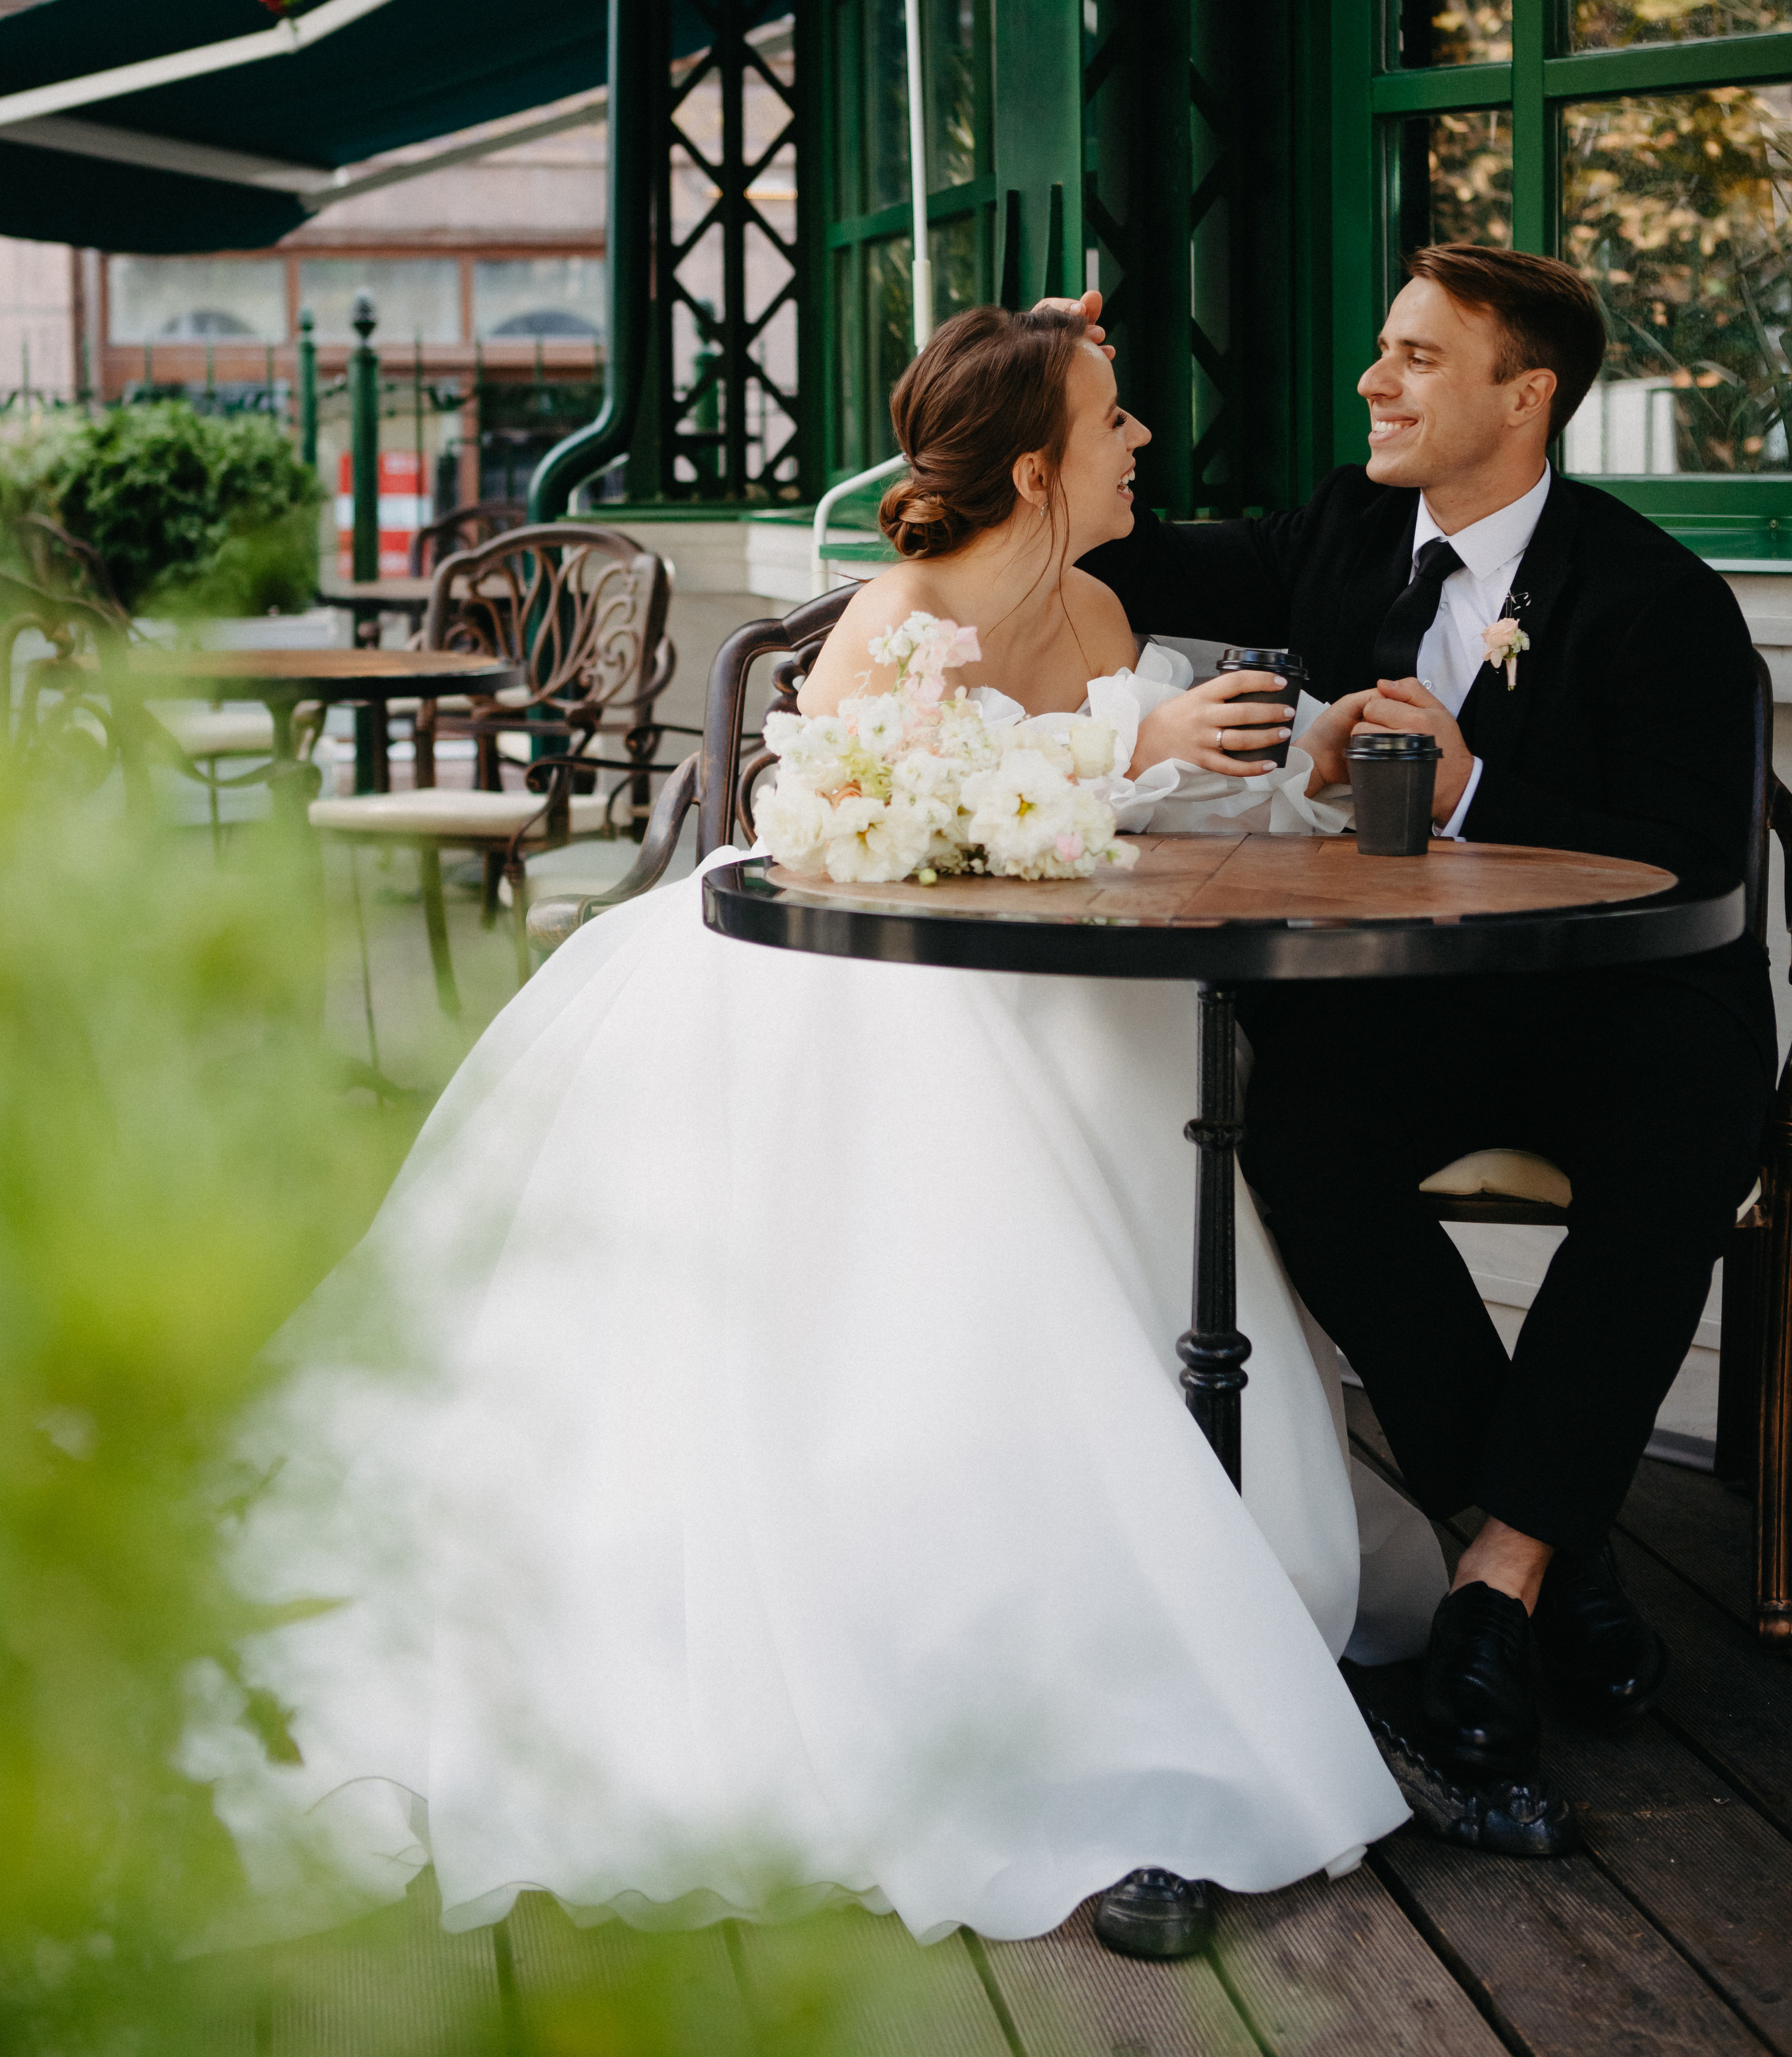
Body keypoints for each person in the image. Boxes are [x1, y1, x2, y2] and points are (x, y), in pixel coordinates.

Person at [194, 307, 1444, 1970]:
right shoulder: (895, 613)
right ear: (1034, 466)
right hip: (846, 983)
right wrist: (1111, 743)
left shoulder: (1100, 609)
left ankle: (1163, 1585)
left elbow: (1131, 812)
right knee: (968, 1136)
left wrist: (1285, 763)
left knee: (1129, 1094)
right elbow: (855, 825)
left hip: (1070, 988)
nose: (1139, 439)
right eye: (1113, 417)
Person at [1075, 244, 1774, 1835]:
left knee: (1673, 1154)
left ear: (1523, 397)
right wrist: (1033, 418)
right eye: (1377, 352)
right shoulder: (1341, 528)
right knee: (1299, 1136)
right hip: (1428, 1005)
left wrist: (1467, 785)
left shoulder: (1656, 599)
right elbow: (1145, 564)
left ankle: (1500, 1574)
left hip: (1639, 1006)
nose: (1369, 383)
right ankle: (1543, 1560)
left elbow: (1696, 864)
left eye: (1412, 358)